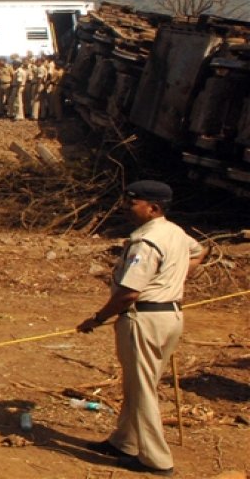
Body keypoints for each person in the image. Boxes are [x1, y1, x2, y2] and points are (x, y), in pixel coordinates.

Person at [76, 181, 206, 477]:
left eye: (133, 202)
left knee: (142, 388)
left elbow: (129, 292)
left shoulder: (147, 241)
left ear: (153, 208)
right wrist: (172, 278)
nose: (127, 207)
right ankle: (124, 440)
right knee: (139, 383)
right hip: (169, 317)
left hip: (144, 319)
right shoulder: (174, 232)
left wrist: (97, 319)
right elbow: (199, 252)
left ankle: (156, 459)